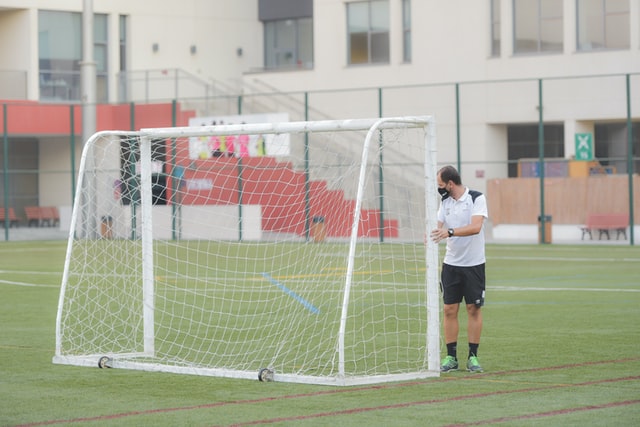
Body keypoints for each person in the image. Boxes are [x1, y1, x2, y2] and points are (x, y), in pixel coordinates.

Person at [430, 165, 488, 373]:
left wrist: (450, 232)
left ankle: (473, 357)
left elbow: (476, 227)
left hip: (474, 264)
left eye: (440, 185)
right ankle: (451, 357)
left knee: (473, 308)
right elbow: (437, 226)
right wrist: (432, 233)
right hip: (451, 265)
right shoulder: (444, 202)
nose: (439, 188)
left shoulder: (476, 198)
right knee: (449, 309)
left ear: (450, 184)